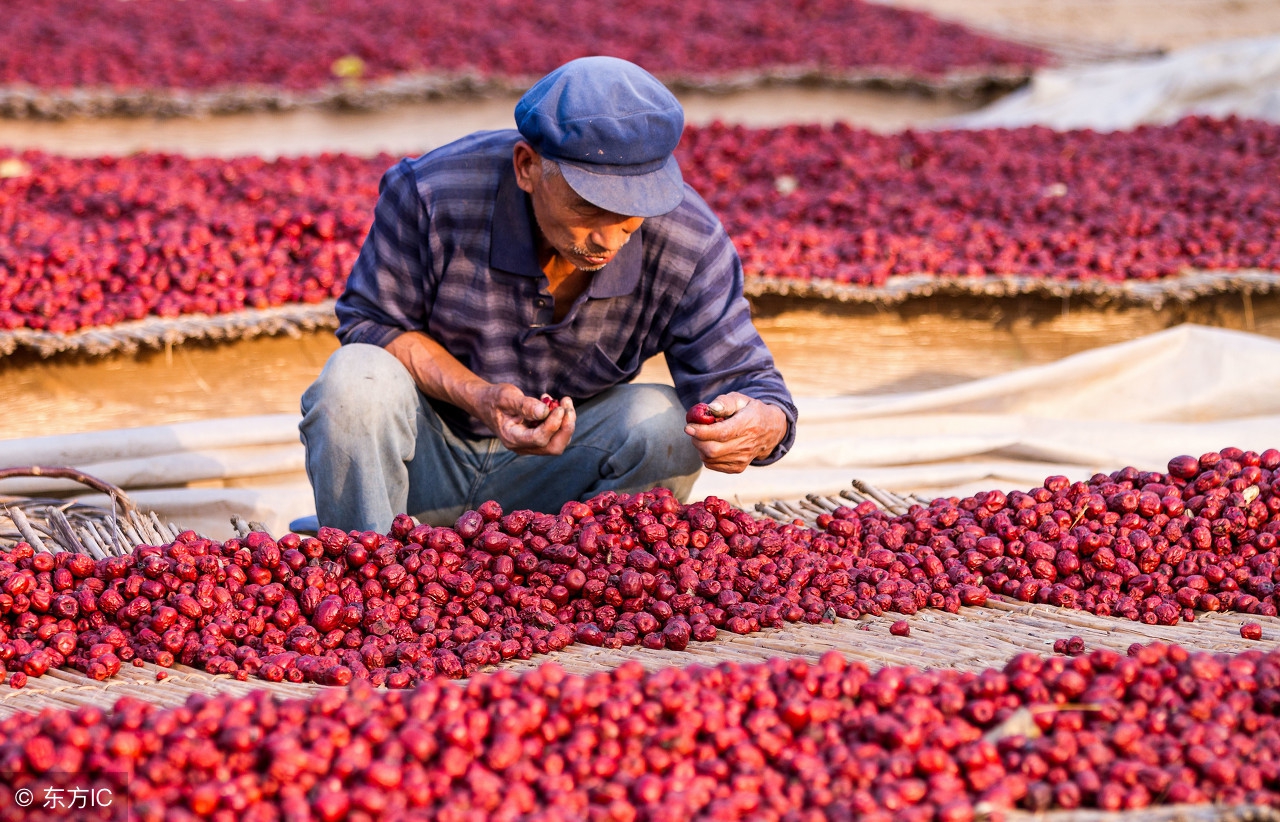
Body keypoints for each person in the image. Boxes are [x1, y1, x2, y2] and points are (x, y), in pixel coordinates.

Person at [299, 56, 796, 533]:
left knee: (666, 426)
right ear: (527, 167)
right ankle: (368, 572)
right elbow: (371, 323)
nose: (607, 239)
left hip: (562, 481)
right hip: (426, 463)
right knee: (353, 382)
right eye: (587, 206)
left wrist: (760, 424)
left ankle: (592, 582)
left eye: (630, 214)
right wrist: (480, 397)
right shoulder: (432, 195)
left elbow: (752, 383)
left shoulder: (688, 242)